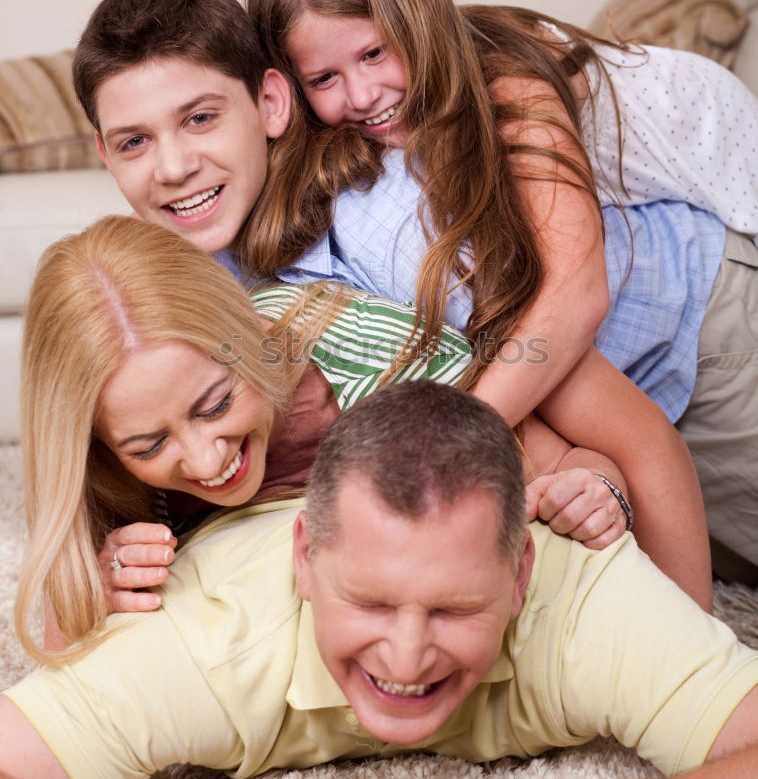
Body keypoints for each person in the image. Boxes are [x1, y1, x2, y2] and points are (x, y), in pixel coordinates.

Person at [73, 0, 722, 604]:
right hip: (611, 408)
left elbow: (638, 439)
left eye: (199, 119)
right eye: (135, 141)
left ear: (271, 102)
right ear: (105, 154)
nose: (175, 167)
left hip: (708, 334)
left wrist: (700, 687)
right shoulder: (173, 283)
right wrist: (108, 559)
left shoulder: (386, 232)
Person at [2, 380, 757, 779]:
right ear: (304, 559)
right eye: (369, 602)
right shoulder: (206, 637)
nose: (405, 656)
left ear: (521, 571)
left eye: (455, 608)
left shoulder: (584, 597)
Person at [19, 215, 632, 663]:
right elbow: (59, 676)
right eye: (148, 447)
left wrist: (596, 492)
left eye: (217, 405)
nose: (208, 459)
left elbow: (576, 459)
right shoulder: (104, 466)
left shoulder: (372, 359)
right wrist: (92, 589)